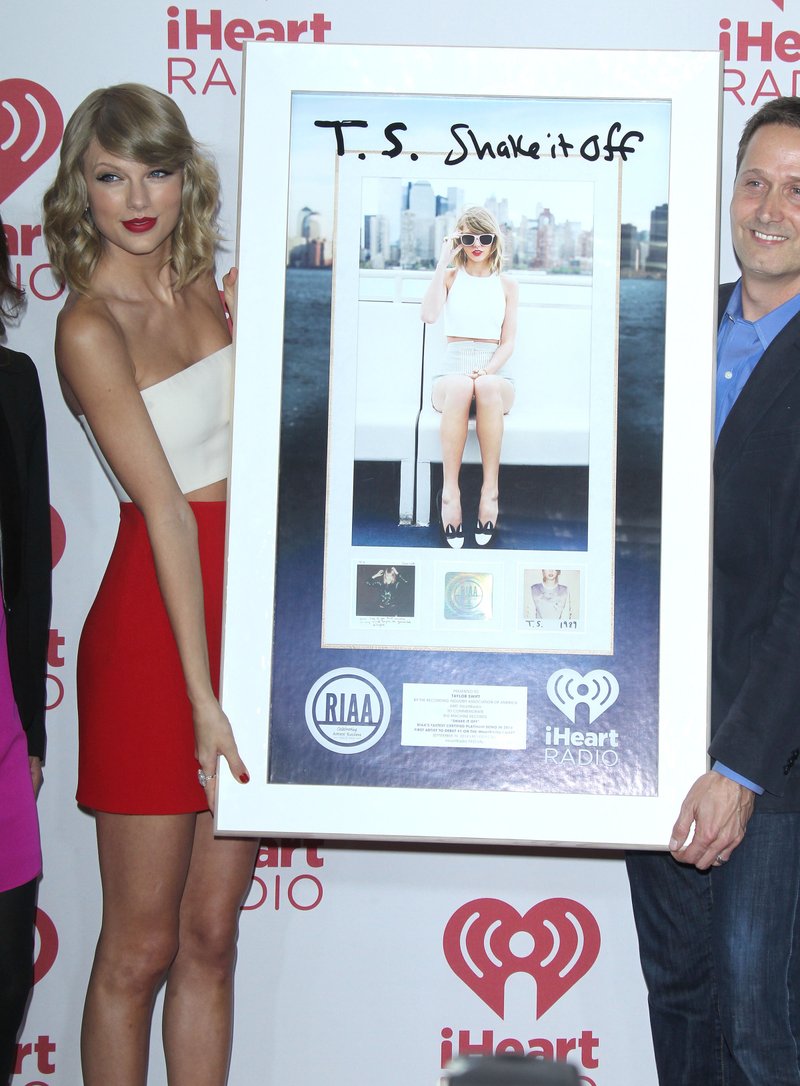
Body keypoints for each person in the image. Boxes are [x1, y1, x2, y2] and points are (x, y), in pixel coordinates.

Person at [42, 84, 258, 1086]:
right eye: (111, 175)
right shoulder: (89, 327)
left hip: (242, 612)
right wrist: (204, 699)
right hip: (150, 634)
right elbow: (168, 510)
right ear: (78, 189)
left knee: (210, 936)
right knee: (140, 950)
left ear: (185, 179)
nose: (138, 197)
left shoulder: (212, 286)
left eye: (157, 172)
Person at [626, 96, 800, 1086]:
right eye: (752, 181)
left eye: (794, 190)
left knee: (758, 1030)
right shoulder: (666, 325)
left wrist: (736, 767)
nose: (768, 208)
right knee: (680, 1002)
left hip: (766, 767)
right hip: (646, 741)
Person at [0, 218, 51, 1085]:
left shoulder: (11, 381)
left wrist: (33, 734)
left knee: (6, 973)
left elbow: (28, 563)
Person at [420, 207, 518, 549]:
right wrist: (443, 260)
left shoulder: (507, 285)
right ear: (459, 240)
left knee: (485, 385)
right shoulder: (450, 277)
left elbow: (508, 342)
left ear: (495, 242)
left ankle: (490, 492)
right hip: (452, 374)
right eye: (469, 238)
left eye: (485, 238)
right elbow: (429, 315)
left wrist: (488, 370)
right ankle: (450, 493)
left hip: (494, 375)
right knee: (463, 384)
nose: (477, 245)